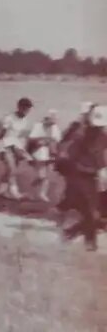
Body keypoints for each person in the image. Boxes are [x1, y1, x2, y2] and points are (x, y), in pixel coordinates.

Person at [57, 105, 107, 251]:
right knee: (91, 211)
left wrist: (101, 170)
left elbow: (101, 155)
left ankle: (72, 232)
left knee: (97, 213)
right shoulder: (80, 137)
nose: (98, 128)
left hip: (97, 176)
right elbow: (70, 158)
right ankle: (90, 243)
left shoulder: (103, 136)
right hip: (82, 177)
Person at [0, 97, 34, 199]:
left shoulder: (25, 120)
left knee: (11, 169)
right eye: (25, 108)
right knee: (11, 168)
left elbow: (20, 135)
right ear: (19, 107)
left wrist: (22, 150)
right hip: (4, 144)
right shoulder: (8, 118)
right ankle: (15, 193)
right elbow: (0, 133)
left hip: (15, 145)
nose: (27, 111)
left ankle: (2, 191)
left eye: (28, 109)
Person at [27, 110, 61, 202]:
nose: (52, 122)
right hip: (39, 153)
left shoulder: (55, 128)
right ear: (46, 119)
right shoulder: (38, 126)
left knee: (48, 176)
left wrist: (54, 152)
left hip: (50, 153)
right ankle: (31, 190)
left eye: (54, 120)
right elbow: (31, 140)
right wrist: (42, 141)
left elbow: (57, 141)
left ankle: (42, 194)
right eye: (51, 119)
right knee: (41, 176)